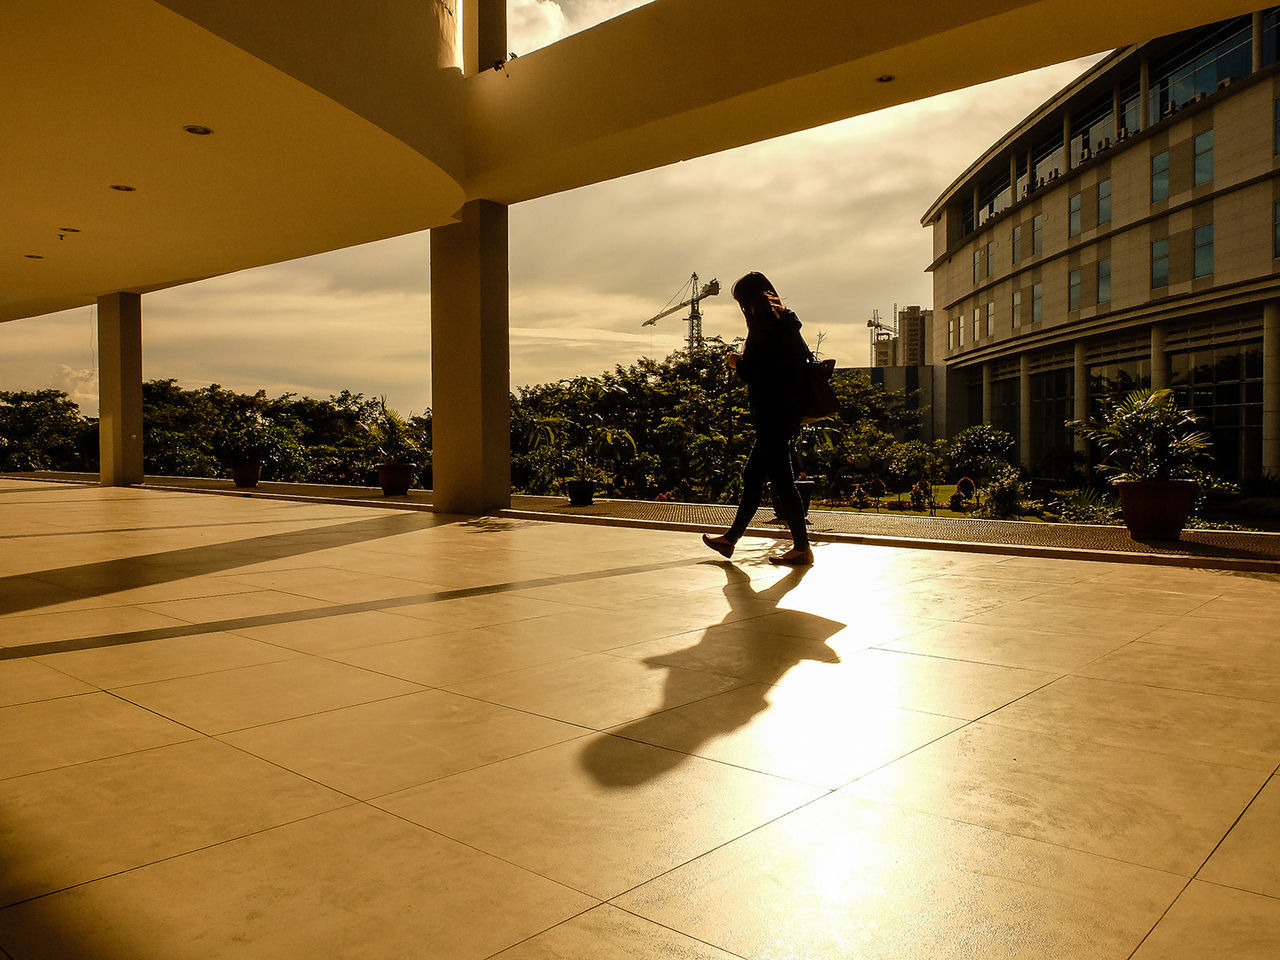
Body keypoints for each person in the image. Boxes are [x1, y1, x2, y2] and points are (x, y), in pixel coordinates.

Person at [703, 271, 814, 565]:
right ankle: (731, 539)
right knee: (755, 476)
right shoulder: (787, 323)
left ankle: (802, 547)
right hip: (786, 413)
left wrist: (737, 362)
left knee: (781, 481)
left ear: (748, 301)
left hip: (773, 415)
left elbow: (757, 373)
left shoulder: (764, 328)